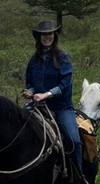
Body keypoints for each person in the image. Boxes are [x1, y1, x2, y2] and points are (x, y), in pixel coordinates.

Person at [22, 20, 84, 183]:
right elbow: (30, 82)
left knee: (73, 140)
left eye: (50, 34)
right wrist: (30, 92)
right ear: (39, 37)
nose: (47, 37)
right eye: (44, 34)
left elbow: (64, 84)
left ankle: (78, 176)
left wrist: (46, 95)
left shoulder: (63, 57)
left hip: (61, 107)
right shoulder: (34, 59)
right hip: (37, 106)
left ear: (54, 35)